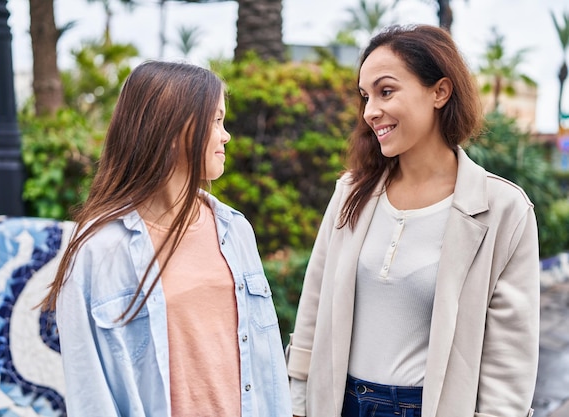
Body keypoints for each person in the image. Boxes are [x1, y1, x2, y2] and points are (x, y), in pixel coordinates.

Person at [286, 24, 539, 417]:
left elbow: (509, 366)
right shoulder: (350, 194)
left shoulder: (504, 210)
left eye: (386, 91)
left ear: (440, 91)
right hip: (338, 404)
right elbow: (312, 313)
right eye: (365, 96)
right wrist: (297, 402)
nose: (370, 111)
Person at [42, 60, 292, 417]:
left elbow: (266, 366)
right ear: (175, 129)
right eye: (217, 120)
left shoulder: (235, 230)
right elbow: (90, 394)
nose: (226, 135)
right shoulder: (98, 250)